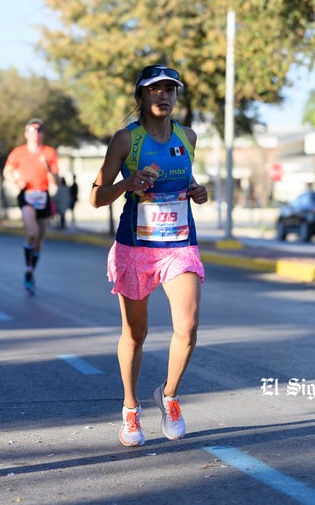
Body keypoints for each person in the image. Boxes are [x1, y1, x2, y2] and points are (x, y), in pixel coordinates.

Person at [89, 65, 209, 446]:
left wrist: (196, 190)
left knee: (187, 326)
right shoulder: (126, 140)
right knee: (135, 333)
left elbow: (184, 177)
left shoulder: (188, 136)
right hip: (136, 247)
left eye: (170, 90)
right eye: (154, 90)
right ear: (140, 97)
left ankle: (169, 395)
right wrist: (128, 182)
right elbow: (95, 197)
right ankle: (130, 409)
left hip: (179, 243)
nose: (164, 96)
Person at [3, 118, 60, 295]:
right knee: (32, 233)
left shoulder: (49, 152)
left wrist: (49, 170)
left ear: (43, 134)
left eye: (39, 129)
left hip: (42, 195)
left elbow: (57, 180)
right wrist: (15, 180)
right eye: (32, 129)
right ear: (26, 133)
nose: (36, 132)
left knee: (40, 239)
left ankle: (30, 271)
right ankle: (28, 269)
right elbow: (7, 171)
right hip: (26, 195)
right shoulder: (18, 153)